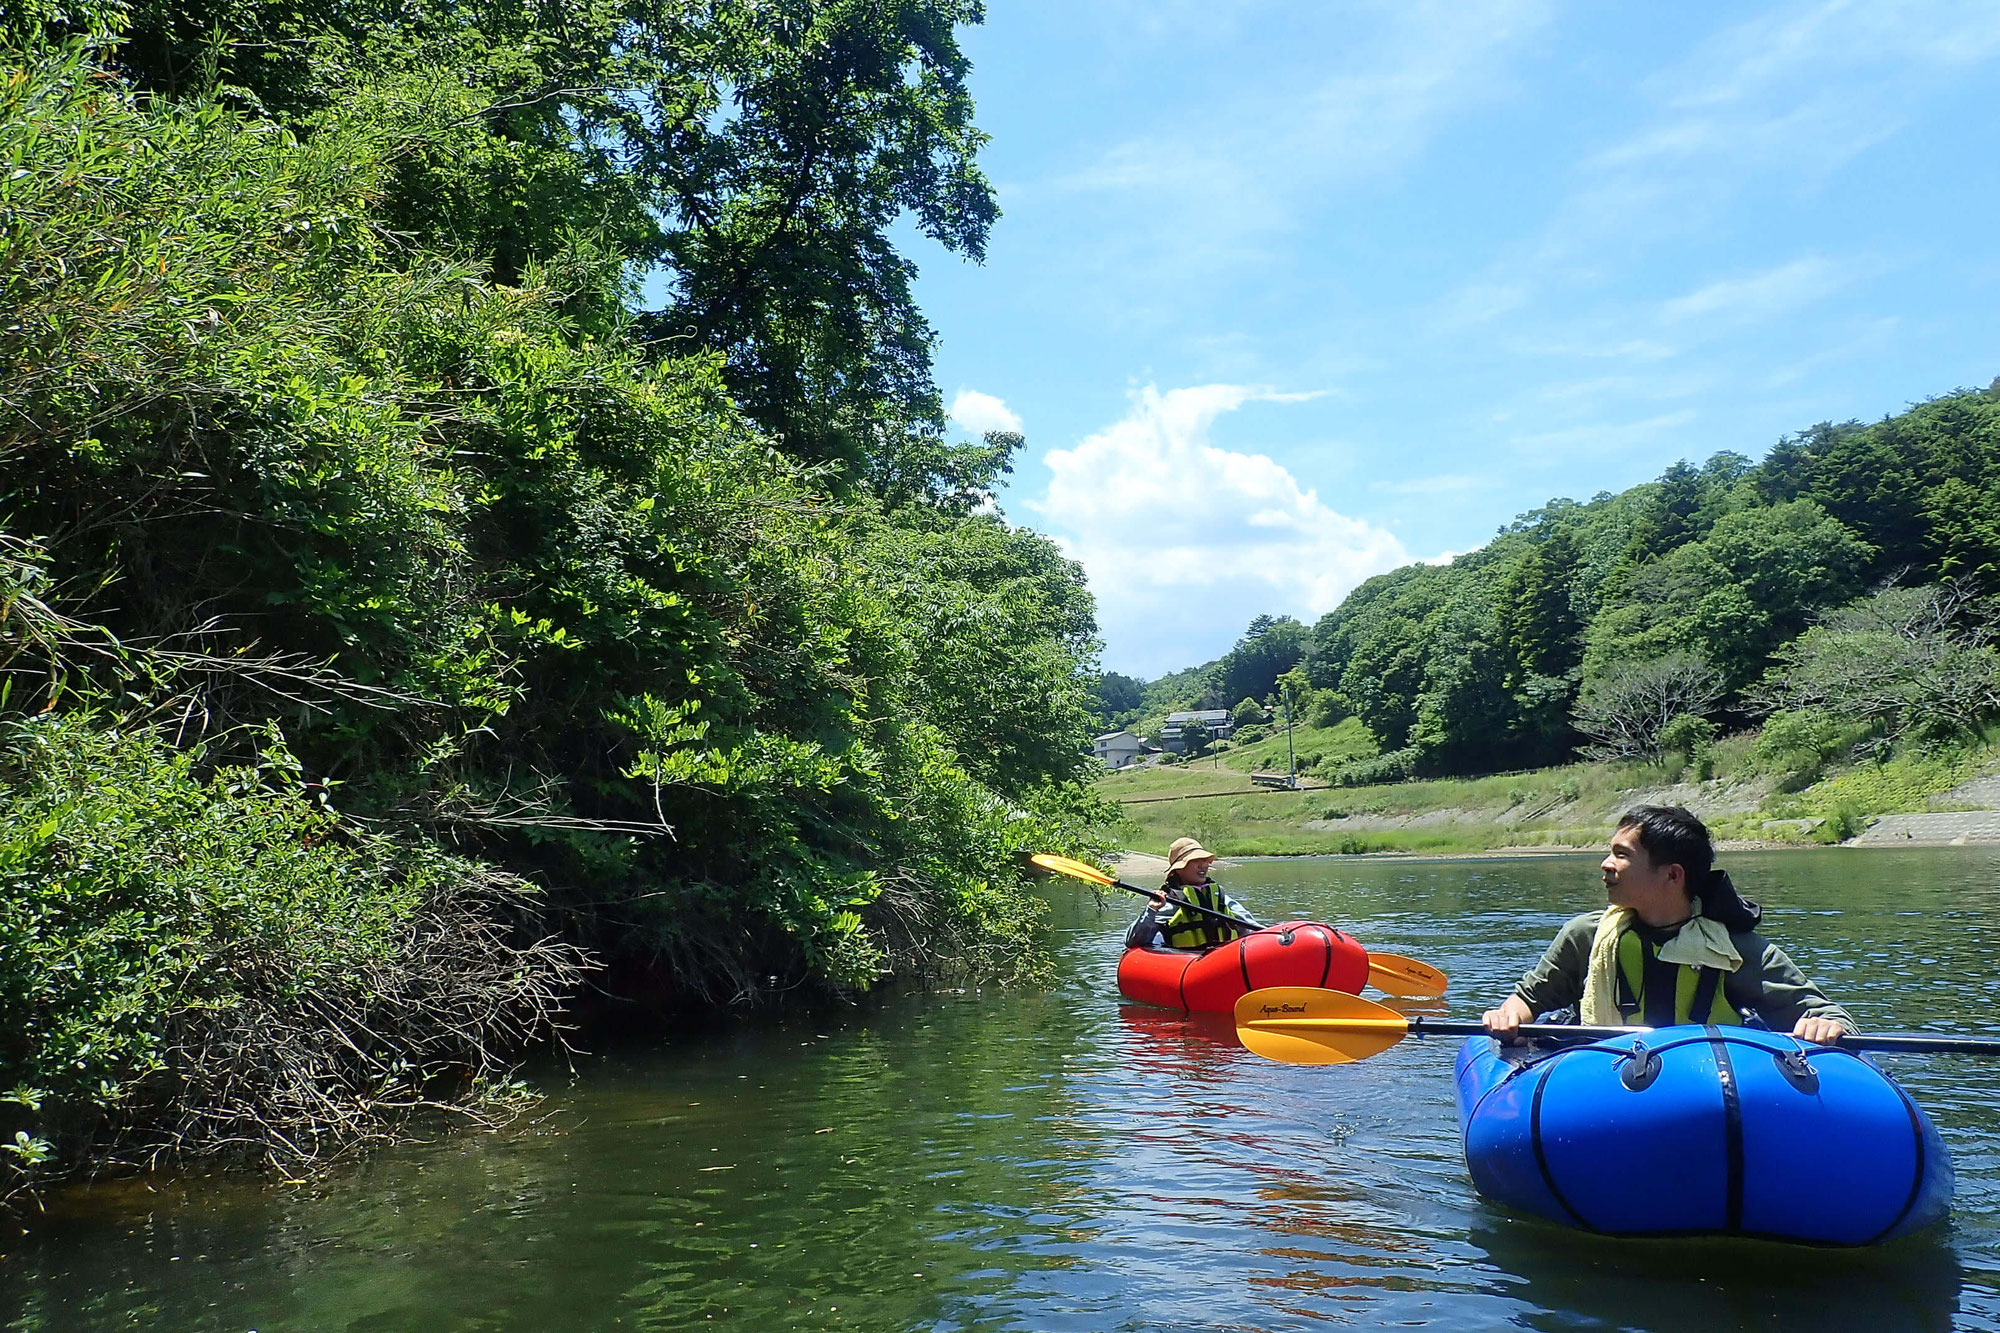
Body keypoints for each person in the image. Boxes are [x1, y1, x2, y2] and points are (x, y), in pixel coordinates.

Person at [1481, 805, 1853, 1043]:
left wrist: (1826, 1026)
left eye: (1621, 856)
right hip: (1599, 1084)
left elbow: (1829, 1015)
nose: (1605, 865)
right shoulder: (1585, 936)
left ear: (1672, 876)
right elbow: (1529, 999)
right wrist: (1507, 1016)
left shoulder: (1735, 950)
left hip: (1706, 1091)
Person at [1123, 837, 1261, 951]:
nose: (1203, 865)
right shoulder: (1170, 901)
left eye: (1205, 860)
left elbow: (1251, 927)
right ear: (1178, 869)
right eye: (1195, 861)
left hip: (1225, 962)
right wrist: (1151, 910)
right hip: (1189, 965)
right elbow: (1132, 941)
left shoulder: (1219, 897)